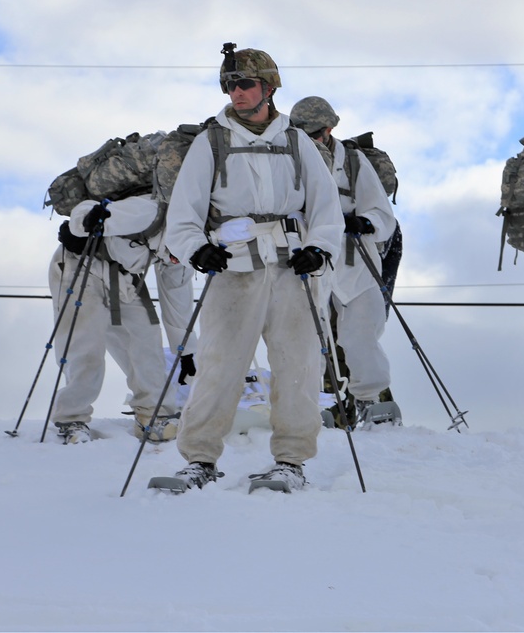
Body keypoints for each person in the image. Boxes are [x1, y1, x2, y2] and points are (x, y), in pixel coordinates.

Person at [163, 45, 344, 491]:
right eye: (229, 84)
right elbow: (183, 213)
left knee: (298, 365)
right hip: (233, 269)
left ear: (268, 87)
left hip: (291, 268)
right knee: (219, 365)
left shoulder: (297, 141)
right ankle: (200, 460)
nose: (235, 92)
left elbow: (326, 209)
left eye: (244, 83)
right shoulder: (212, 142)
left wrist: (318, 248)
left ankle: (291, 461)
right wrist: (195, 249)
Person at [50, 194, 197, 445]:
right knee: (85, 345)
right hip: (80, 265)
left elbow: (177, 300)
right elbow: (91, 207)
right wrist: (82, 222)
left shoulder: (183, 255)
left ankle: (154, 414)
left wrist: (186, 351)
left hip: (124, 278)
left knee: (146, 339)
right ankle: (71, 417)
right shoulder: (148, 213)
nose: (174, 260)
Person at [288, 96, 399, 426]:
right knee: (309, 334)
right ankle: (319, 404)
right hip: (306, 258)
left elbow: (381, 211)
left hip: (354, 258)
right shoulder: (287, 157)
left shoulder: (353, 161)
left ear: (329, 129)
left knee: (360, 333)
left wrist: (364, 222)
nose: (310, 140)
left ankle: (372, 400)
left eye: (314, 133)